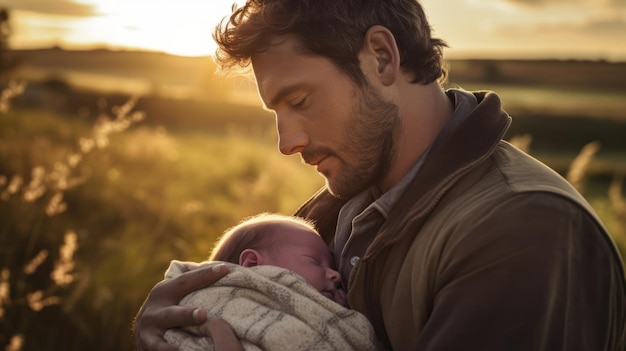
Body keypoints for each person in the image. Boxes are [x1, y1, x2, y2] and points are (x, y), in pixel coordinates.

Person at [134, 0, 626, 350]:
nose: (287, 143)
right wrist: (179, 324)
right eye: (276, 112)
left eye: (300, 101)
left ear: (382, 58)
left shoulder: (523, 230)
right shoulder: (343, 207)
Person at [162, 213, 380, 351]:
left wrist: (336, 311)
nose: (335, 275)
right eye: (314, 261)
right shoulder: (220, 302)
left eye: (331, 266)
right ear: (251, 264)